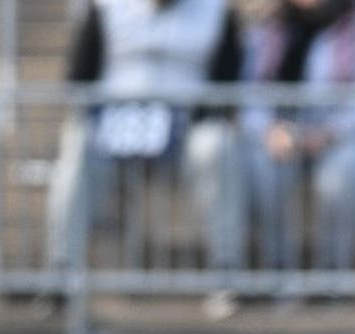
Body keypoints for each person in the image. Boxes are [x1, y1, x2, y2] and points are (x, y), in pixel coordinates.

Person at [45, 0, 245, 278]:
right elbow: (79, 76)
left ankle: (227, 268)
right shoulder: (105, 7)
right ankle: (62, 268)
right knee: (78, 144)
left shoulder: (217, 10)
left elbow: (228, 81)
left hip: (186, 129)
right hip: (114, 126)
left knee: (217, 144)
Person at [242, 0, 355, 271]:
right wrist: (270, 130)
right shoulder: (272, 26)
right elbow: (250, 93)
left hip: (346, 138)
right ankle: (278, 270)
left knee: (346, 172)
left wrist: (328, 133)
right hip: (285, 137)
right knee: (262, 166)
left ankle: (331, 273)